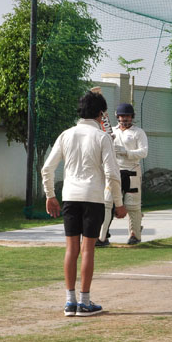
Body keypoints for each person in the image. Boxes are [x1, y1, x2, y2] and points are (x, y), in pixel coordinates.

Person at [41, 90, 126, 317]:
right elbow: (112, 174)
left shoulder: (66, 134)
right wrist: (119, 203)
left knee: (72, 248)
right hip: (93, 197)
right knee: (88, 249)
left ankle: (70, 302)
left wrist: (50, 195)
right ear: (101, 114)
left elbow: (47, 169)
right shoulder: (102, 137)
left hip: (70, 196)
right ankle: (84, 302)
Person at [96, 103, 149, 247]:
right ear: (117, 117)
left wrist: (127, 152)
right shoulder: (111, 132)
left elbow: (144, 152)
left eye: (127, 116)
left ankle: (134, 234)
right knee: (107, 203)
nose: (125, 118)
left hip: (132, 171)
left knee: (132, 205)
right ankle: (102, 237)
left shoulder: (138, 132)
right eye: (122, 116)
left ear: (132, 117)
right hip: (114, 172)